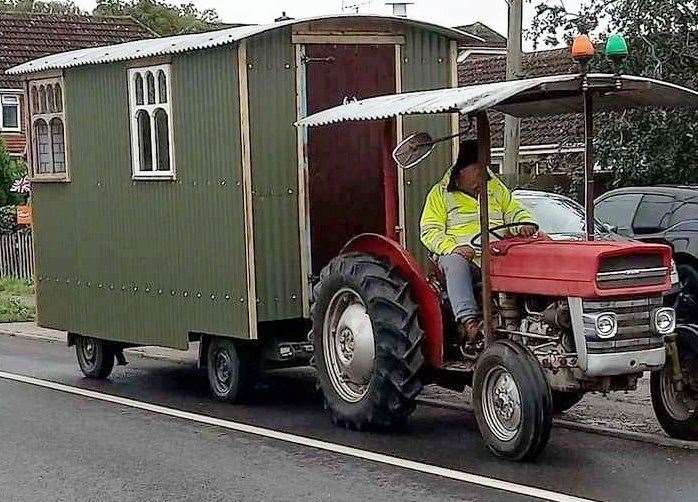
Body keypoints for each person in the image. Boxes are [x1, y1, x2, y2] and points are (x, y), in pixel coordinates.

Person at [420, 140, 539, 342]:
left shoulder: (494, 187)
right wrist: (453, 247)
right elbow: (429, 231)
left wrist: (523, 223)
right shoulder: (440, 194)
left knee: (533, 252)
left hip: (497, 254)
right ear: (460, 174)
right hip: (466, 259)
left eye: (483, 175)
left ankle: (531, 315)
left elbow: (513, 210)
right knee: (453, 261)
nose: (480, 184)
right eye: (476, 177)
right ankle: (469, 323)